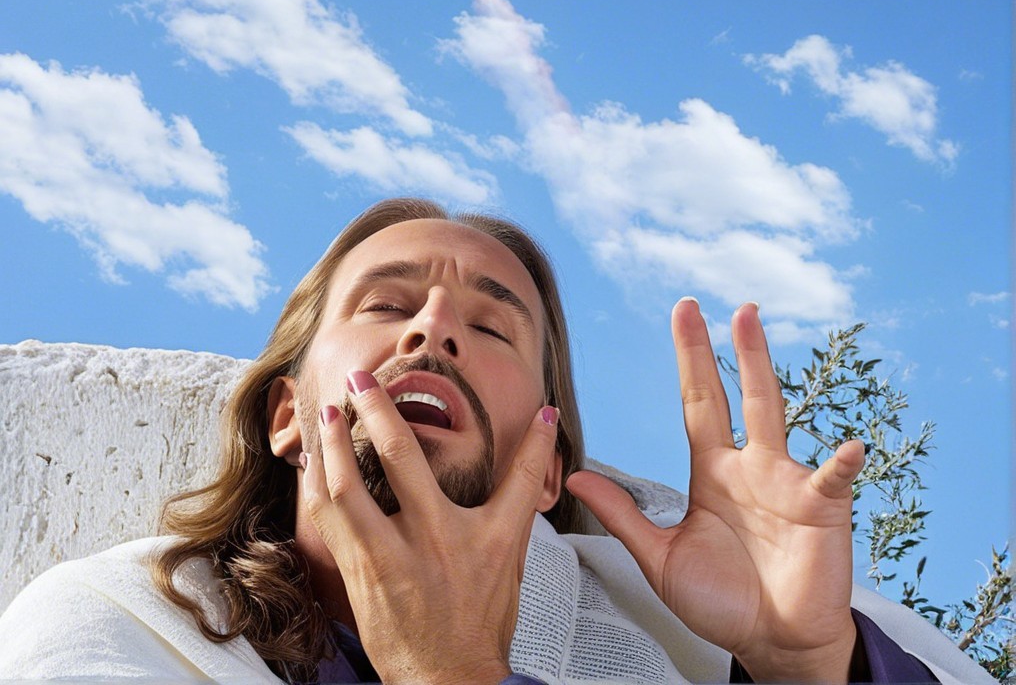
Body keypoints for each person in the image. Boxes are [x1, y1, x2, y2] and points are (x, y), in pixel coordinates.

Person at [0, 199, 992, 683]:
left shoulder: (672, 651)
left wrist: (803, 662)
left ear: (548, 464)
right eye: (387, 304)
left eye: (490, 324)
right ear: (287, 414)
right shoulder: (121, 627)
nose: (433, 329)